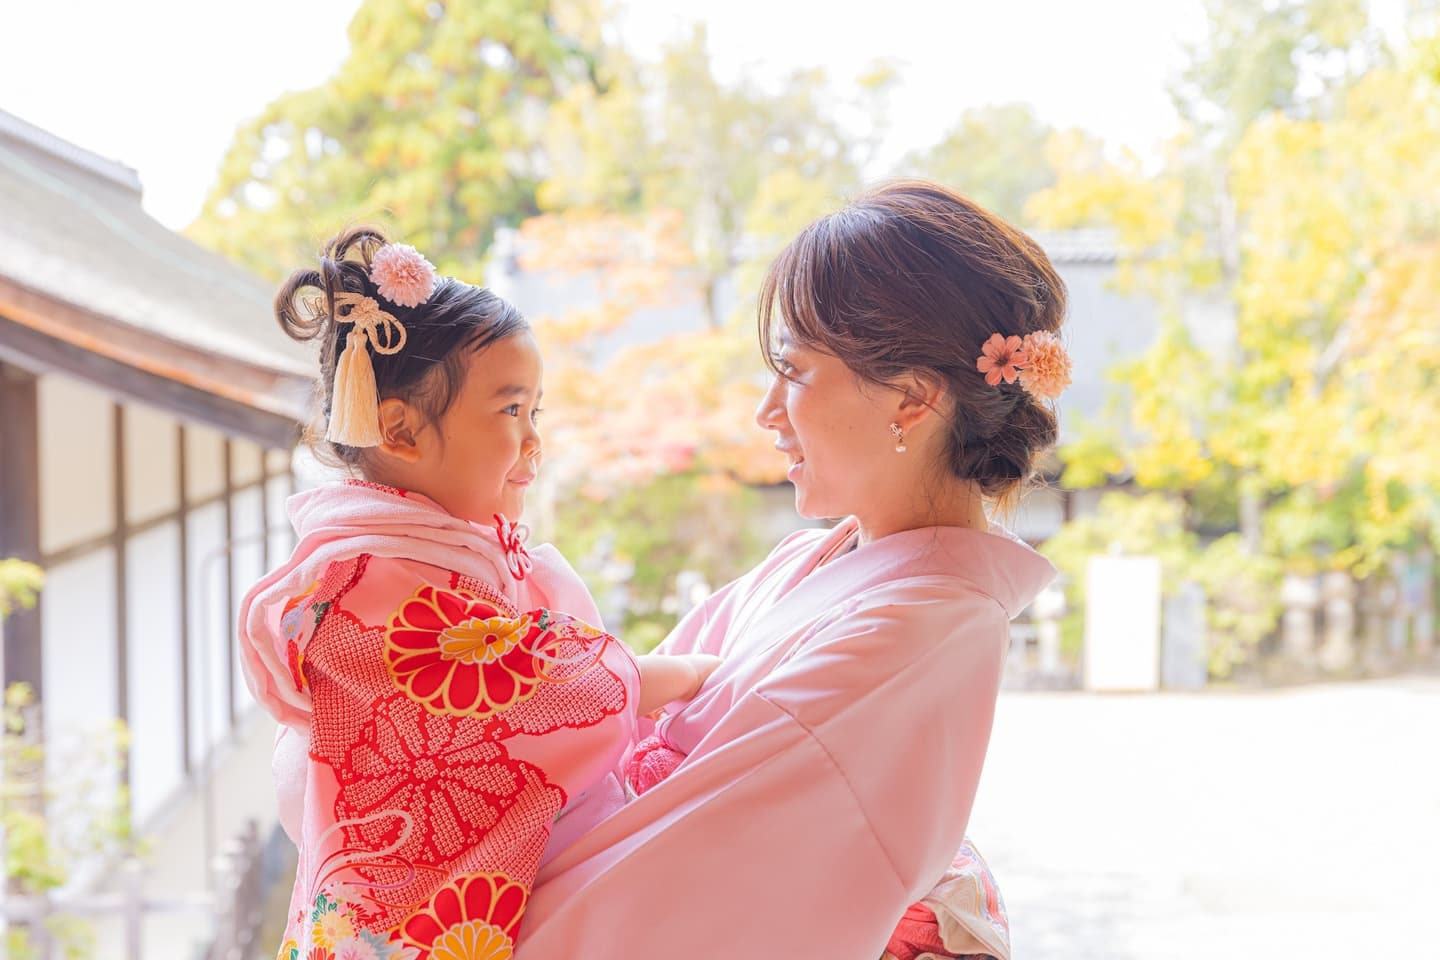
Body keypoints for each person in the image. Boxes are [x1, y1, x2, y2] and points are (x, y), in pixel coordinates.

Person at [515, 179, 1070, 958]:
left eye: (796, 372)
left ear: (911, 398)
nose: (767, 411)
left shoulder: (923, 627)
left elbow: (697, 880)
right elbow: (626, 710)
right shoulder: (820, 555)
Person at [237, 227, 717, 960]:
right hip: (392, 918)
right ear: (399, 433)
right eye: (508, 412)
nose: (533, 443)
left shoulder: (425, 552)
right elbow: (533, 688)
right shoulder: (363, 586)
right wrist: (679, 674)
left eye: (535, 414)